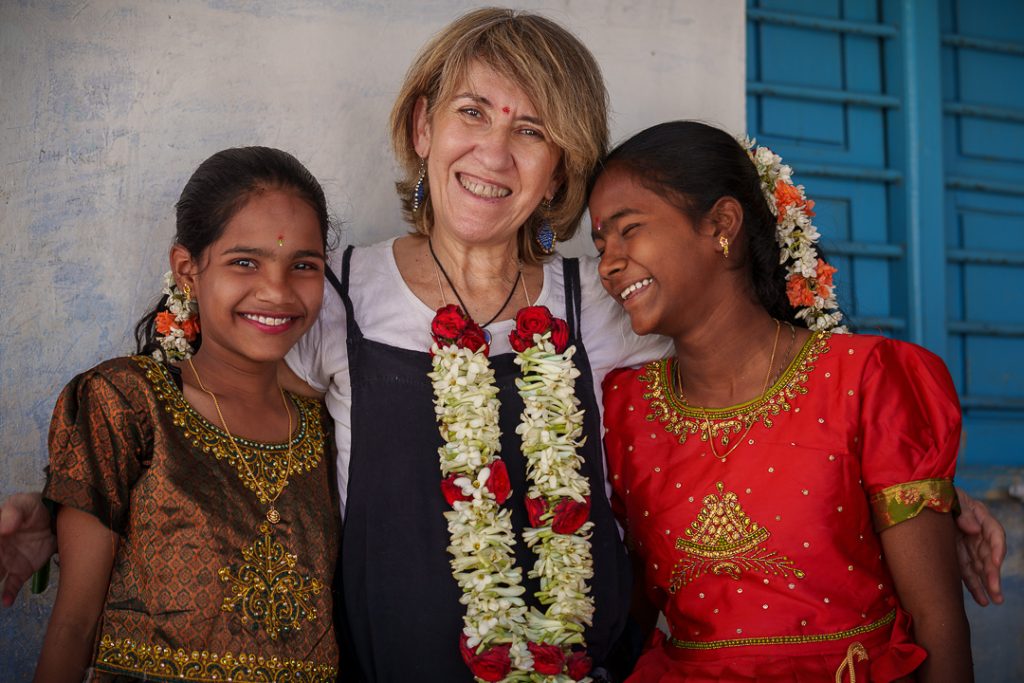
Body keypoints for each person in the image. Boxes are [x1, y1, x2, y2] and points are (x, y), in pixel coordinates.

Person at [0, 8, 1006, 683]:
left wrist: (913, 495)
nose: (493, 151)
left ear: (559, 163)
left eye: (531, 130)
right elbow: (212, 417)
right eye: (472, 113)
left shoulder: (603, 300)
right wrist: (63, 507)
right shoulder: (328, 287)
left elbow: (730, 417)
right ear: (425, 125)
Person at [591, 121, 974, 681]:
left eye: (629, 231)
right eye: (601, 243)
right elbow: (623, 615)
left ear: (721, 225)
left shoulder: (864, 379)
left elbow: (938, 619)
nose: (607, 262)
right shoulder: (625, 409)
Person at [32, 147, 341, 682]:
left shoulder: (329, 427)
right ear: (187, 270)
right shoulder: (126, 403)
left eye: (304, 266)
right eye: (244, 262)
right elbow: (73, 627)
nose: (277, 290)